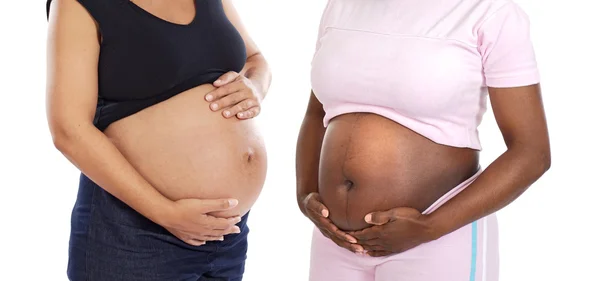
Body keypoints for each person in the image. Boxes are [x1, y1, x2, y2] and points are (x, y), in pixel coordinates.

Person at [296, 0, 550, 280]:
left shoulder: (490, 12)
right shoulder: (342, 5)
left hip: (438, 239)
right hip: (334, 240)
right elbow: (316, 112)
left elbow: (531, 153)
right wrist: (305, 195)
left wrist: (429, 227)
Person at [45, 0, 271, 280]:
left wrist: (255, 86)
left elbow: (255, 59)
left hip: (228, 237)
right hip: (134, 238)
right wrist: (166, 213)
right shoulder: (77, 4)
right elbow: (69, 130)